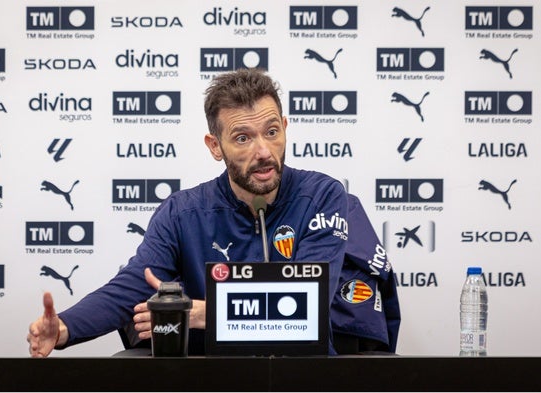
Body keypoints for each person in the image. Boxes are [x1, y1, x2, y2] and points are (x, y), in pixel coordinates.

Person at [27, 68, 350, 357]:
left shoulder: (322, 196)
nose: (263, 151)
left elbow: (306, 307)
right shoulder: (182, 212)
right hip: (213, 375)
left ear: (285, 128)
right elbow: (132, 285)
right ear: (214, 146)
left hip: (301, 372)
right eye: (242, 138)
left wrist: (198, 314)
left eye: (271, 132)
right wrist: (66, 327)